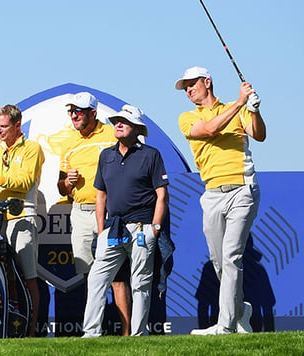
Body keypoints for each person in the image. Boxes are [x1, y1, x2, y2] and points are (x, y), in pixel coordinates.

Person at [174, 66, 265, 335]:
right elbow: (210, 129)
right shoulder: (187, 117)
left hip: (242, 189)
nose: (189, 90)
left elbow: (259, 135)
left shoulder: (238, 111)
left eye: (192, 84)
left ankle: (225, 325)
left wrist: (255, 110)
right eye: (186, 87)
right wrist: (240, 102)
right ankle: (239, 311)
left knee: (231, 255)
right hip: (212, 193)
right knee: (219, 260)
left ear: (207, 82)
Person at [81, 105, 169, 337]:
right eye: (116, 121)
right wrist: (101, 230)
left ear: (137, 128)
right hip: (112, 229)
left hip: (141, 227)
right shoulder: (106, 156)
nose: (118, 124)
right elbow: (101, 195)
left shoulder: (151, 155)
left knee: (140, 283)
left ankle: (138, 334)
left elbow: (162, 195)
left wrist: (155, 228)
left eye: (124, 121)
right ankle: (90, 333)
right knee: (97, 279)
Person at [56, 92, 132, 335]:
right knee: (92, 276)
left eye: (79, 111)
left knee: (118, 276)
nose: (74, 115)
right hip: (80, 212)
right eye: (71, 111)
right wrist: (67, 182)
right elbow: (60, 186)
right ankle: (94, 332)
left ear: (93, 113)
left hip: (111, 212)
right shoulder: (68, 143)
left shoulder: (112, 135)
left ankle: (127, 333)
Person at [0, 104, 44, 335]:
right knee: (5, 276)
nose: (0, 131)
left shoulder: (32, 148)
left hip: (22, 216)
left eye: (4, 127)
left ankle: (30, 331)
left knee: (28, 275)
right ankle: (11, 326)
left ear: (17, 125)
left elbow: (24, 182)